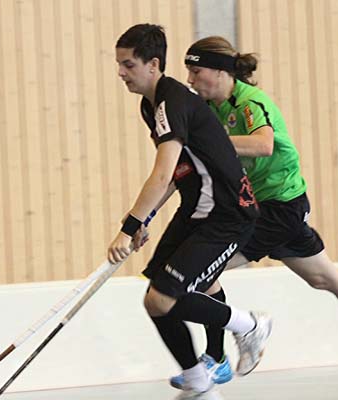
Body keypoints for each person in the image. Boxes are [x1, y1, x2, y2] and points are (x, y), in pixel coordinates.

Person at [167, 35, 338, 388]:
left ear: (221, 71)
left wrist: (211, 143)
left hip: (279, 206)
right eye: (188, 73)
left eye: (197, 72)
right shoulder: (210, 108)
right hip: (262, 205)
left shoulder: (249, 102)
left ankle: (217, 358)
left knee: (204, 268)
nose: (191, 80)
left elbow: (263, 144)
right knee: (325, 278)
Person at [107, 25, 272, 398]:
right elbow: (178, 172)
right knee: (155, 302)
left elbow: (161, 170)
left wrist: (128, 226)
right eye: (119, 64)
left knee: (166, 296)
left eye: (128, 64)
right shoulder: (150, 106)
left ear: (153, 64)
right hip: (197, 208)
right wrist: (143, 219)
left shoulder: (173, 101)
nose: (121, 72)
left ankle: (250, 325)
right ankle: (198, 380)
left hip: (228, 213)